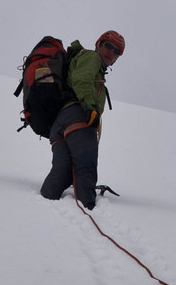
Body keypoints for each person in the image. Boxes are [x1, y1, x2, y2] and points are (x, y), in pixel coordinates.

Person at [38, 31, 125, 210]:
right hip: (78, 117)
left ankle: (43, 209)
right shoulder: (91, 58)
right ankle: (90, 210)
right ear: (98, 44)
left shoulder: (83, 60)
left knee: (62, 173)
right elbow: (82, 80)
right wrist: (90, 108)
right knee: (86, 166)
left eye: (116, 51)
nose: (111, 52)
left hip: (59, 125)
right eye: (108, 45)